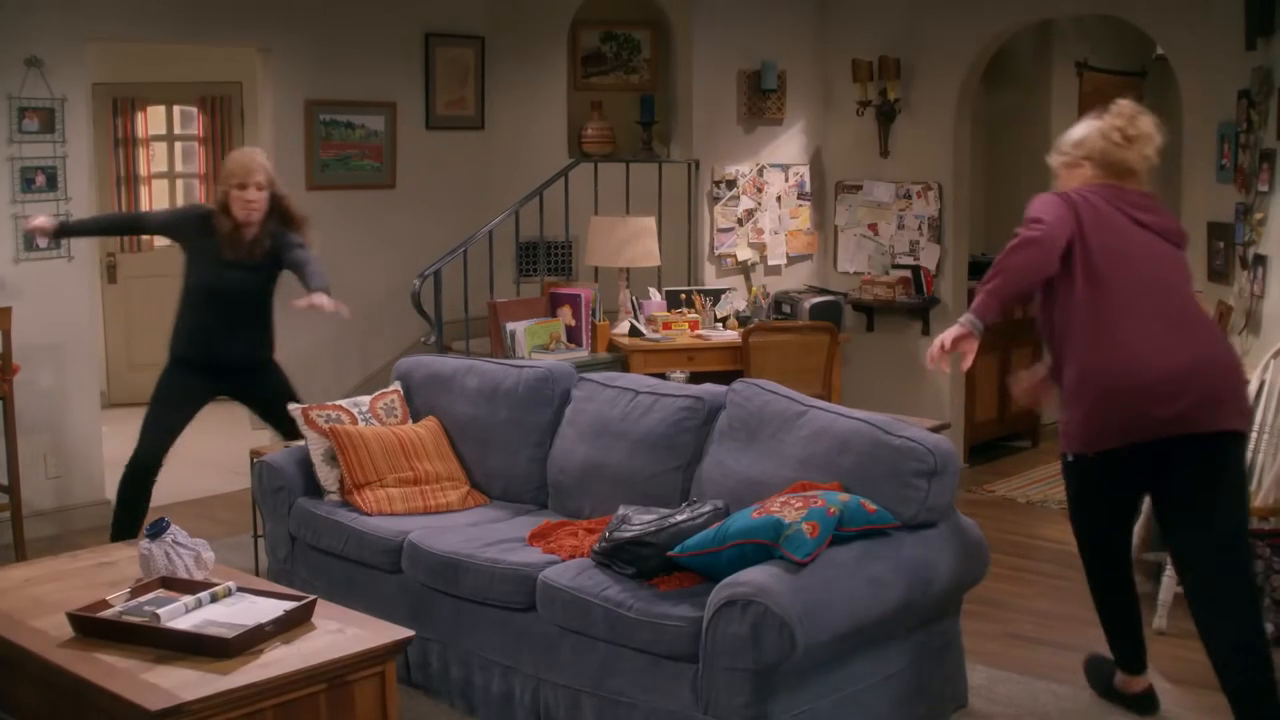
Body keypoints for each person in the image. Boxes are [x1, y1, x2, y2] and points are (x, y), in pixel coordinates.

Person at [926, 99, 1280, 719]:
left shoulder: (1064, 207)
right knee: (1220, 578)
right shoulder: (1158, 230)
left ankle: (1133, 678)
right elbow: (1134, 324)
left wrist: (974, 318)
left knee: (1103, 544)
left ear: (1083, 166)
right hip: (1211, 399)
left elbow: (1034, 251)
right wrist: (1054, 371)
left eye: (1061, 166)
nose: (1057, 177)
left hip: (1116, 413)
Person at [23, 146, 349, 543]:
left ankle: (335, 531)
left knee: (312, 444)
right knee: (145, 459)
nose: (251, 196)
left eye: (260, 188)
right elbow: (133, 220)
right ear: (226, 192)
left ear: (270, 193)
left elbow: (303, 258)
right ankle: (116, 551)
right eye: (241, 187)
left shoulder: (277, 237)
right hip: (190, 369)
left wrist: (319, 290)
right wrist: (58, 229)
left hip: (254, 369)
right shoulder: (197, 224)